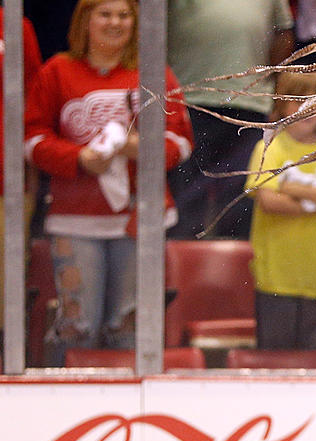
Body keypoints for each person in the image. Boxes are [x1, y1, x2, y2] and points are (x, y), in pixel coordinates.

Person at [25, 0, 193, 366]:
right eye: (105, 14)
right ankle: (64, 408)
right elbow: (32, 139)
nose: (114, 23)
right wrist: (79, 158)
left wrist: (139, 147)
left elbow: (181, 142)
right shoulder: (57, 71)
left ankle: (129, 411)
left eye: (124, 15)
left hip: (141, 219)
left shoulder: (155, 73)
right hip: (75, 220)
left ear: (136, 23)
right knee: (77, 323)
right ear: (85, 20)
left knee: (128, 325)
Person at [244, 73, 316, 350]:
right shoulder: (269, 147)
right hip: (277, 277)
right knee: (275, 366)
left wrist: (292, 187)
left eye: (314, 101)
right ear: (281, 106)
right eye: (297, 101)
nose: (306, 109)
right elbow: (269, 201)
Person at [166, 0, 294, 239]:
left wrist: (267, 79)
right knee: (187, 197)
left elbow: (283, 33)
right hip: (190, 99)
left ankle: (236, 270)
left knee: (241, 197)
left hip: (250, 104)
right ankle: (181, 269)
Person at [0, 9, 42, 351]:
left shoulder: (14, 25)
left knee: (5, 283)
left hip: (7, 183)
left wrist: (30, 180)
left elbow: (33, 102)